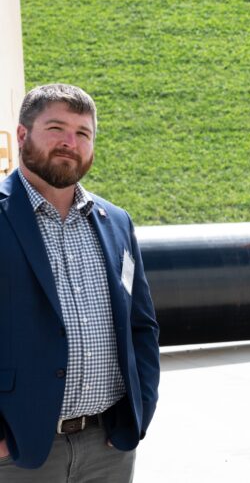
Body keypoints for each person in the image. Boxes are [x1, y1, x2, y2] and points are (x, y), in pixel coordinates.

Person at [0, 84, 160, 481]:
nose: (70, 142)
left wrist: (140, 410)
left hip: (108, 446)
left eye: (83, 133)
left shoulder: (116, 221)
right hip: (18, 452)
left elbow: (141, 325)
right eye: (56, 128)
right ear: (23, 135)